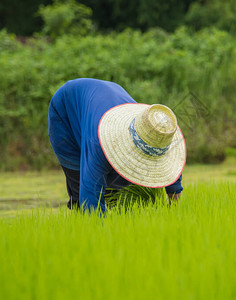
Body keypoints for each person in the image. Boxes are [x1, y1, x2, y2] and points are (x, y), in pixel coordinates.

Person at [48, 78, 187, 213]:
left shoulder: (158, 132)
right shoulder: (99, 143)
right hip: (66, 112)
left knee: (123, 190)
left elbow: (172, 180)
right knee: (80, 193)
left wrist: (174, 209)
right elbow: (90, 197)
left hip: (104, 99)